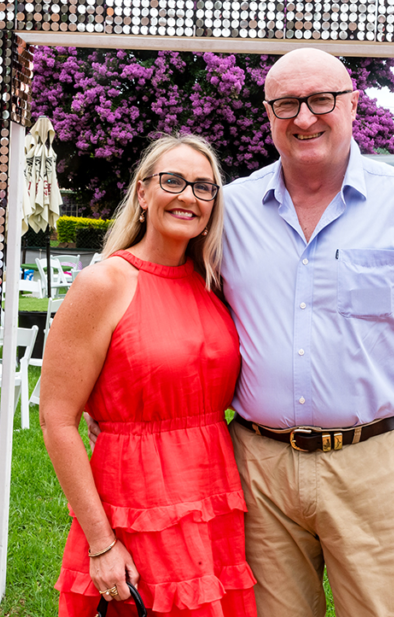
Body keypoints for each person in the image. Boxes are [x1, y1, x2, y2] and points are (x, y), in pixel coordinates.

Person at [221, 48, 394, 617]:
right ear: (268, 114)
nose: (304, 118)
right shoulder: (232, 209)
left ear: (353, 105)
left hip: (376, 464)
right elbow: (168, 293)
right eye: (286, 103)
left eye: (321, 100)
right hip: (257, 469)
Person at [38, 134, 257, 617]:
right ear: (142, 192)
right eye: (173, 181)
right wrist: (100, 543)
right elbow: (56, 419)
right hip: (135, 500)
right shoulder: (105, 283)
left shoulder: (213, 283)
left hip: (212, 493)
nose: (188, 197)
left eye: (203, 187)